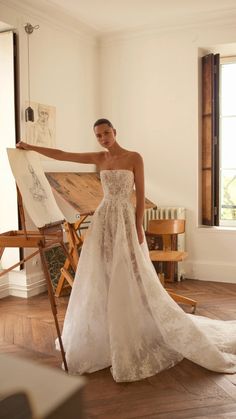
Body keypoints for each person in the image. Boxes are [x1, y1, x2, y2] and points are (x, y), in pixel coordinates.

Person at [17, 119, 236, 382]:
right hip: (103, 219)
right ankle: (107, 327)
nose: (103, 138)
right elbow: (63, 154)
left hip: (124, 217)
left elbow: (140, 194)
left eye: (106, 133)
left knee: (130, 269)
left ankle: (134, 324)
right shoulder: (98, 158)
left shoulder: (134, 157)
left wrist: (138, 225)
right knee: (102, 270)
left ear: (115, 132)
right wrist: (30, 147)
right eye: (98, 135)